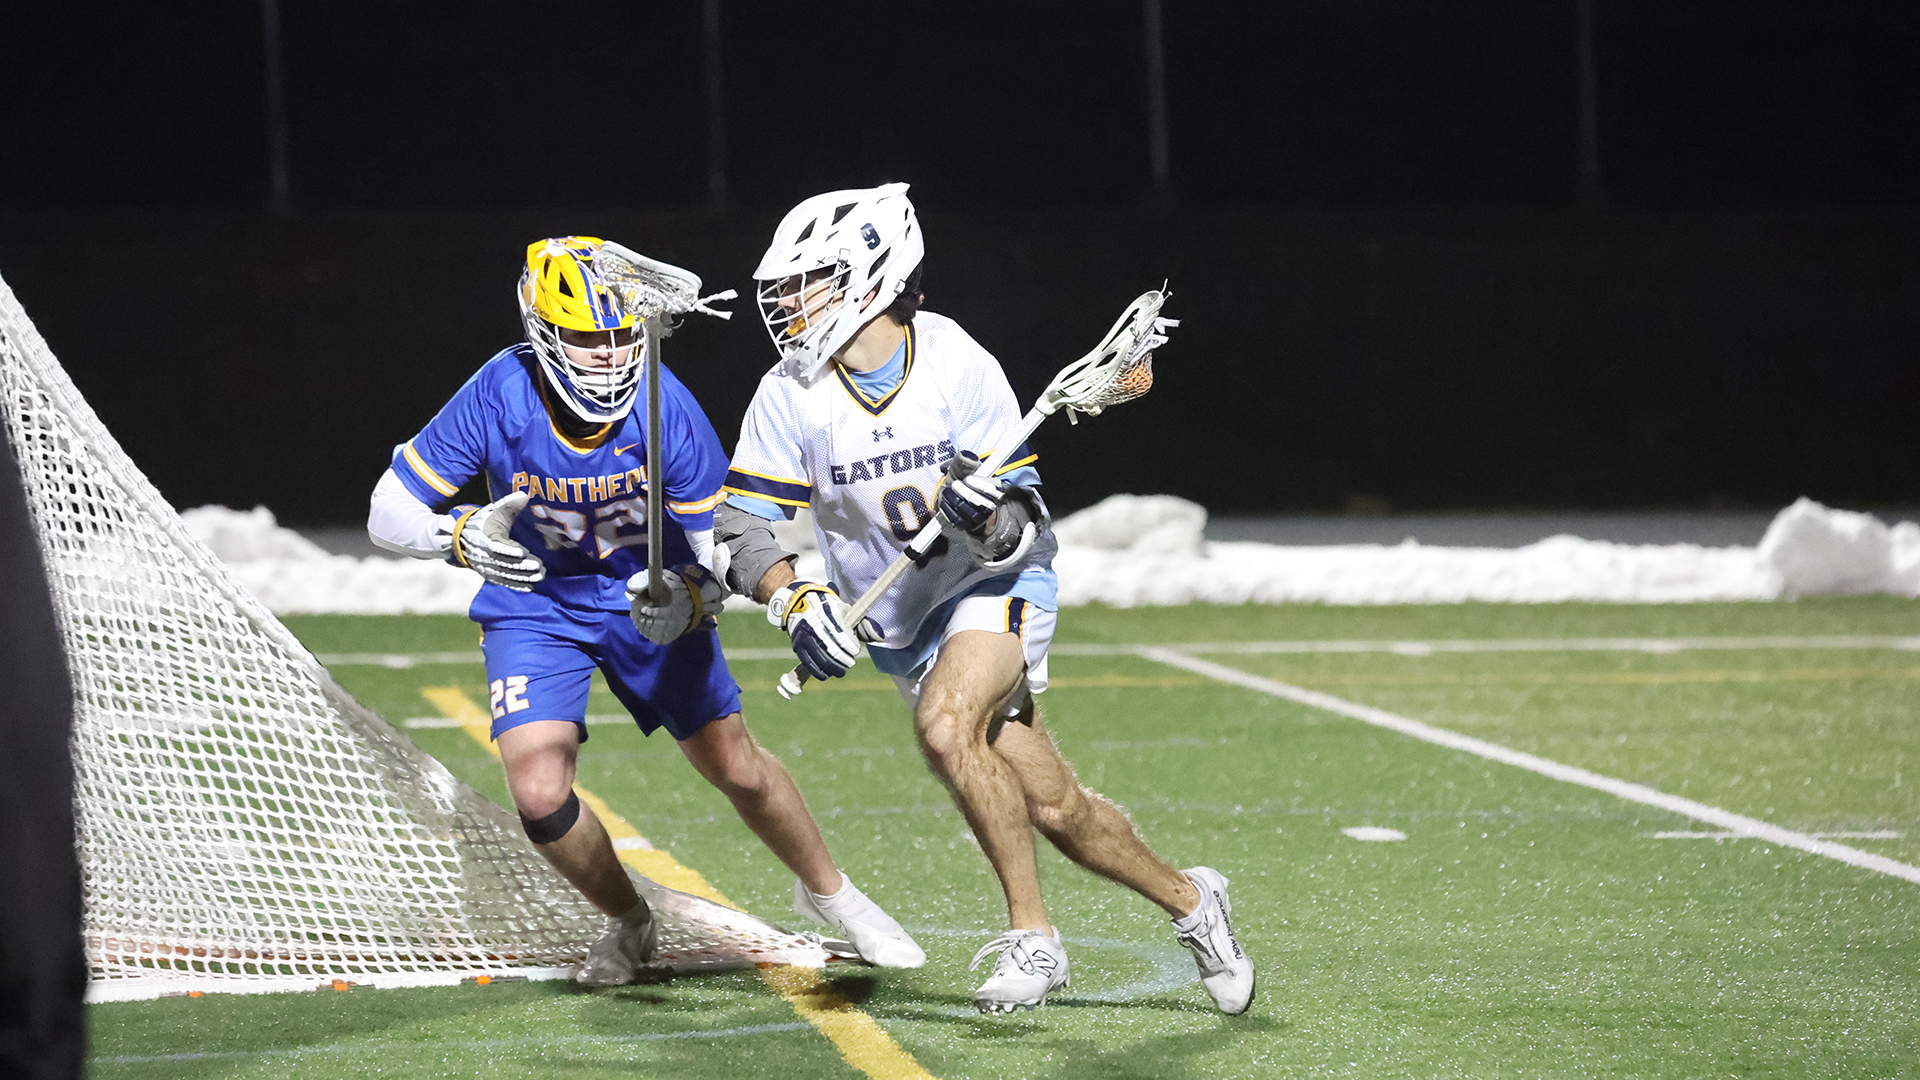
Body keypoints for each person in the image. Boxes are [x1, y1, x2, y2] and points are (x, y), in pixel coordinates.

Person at [700, 184, 1254, 1014]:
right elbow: (740, 526)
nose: (787, 300)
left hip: (991, 585)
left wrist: (984, 516)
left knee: (946, 726)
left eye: (810, 279)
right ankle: (1192, 900)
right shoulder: (790, 390)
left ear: (872, 276)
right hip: (902, 622)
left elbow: (1023, 525)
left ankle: (1036, 940)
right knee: (1057, 808)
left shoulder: (954, 360)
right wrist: (796, 601)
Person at [366, 236, 923, 985]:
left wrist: (725, 596)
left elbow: (719, 543)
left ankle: (833, 893)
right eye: (588, 340)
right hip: (535, 603)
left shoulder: (665, 404)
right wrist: (456, 534)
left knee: (737, 767)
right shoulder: (501, 391)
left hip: (647, 600)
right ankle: (628, 921)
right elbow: (388, 510)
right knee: (537, 790)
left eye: (622, 336)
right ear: (542, 331)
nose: (609, 355)